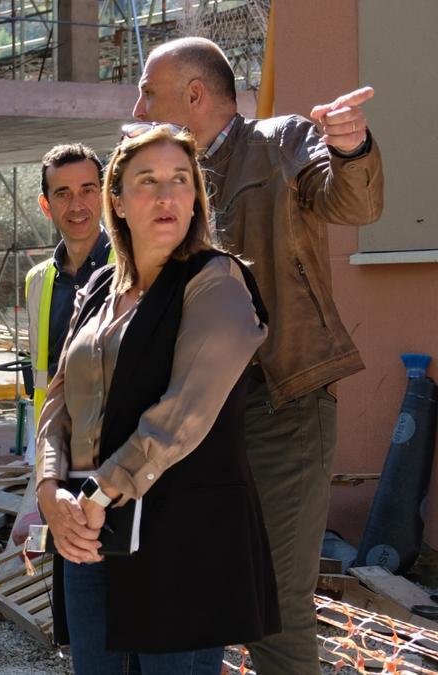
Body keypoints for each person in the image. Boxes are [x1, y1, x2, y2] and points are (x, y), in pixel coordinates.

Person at [132, 37, 385, 673]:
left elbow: (352, 201)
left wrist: (350, 146)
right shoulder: (166, 176)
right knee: (203, 591)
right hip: (193, 418)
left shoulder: (279, 144)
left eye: (148, 91)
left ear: (193, 95)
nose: (136, 105)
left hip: (282, 405)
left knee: (275, 604)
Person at [36, 125, 280, 673]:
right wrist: (49, 488)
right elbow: (59, 402)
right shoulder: (99, 286)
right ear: (117, 203)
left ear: (197, 196)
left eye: (181, 180)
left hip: (183, 538)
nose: (167, 196)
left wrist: (97, 495)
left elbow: (184, 411)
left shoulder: (216, 280)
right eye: (148, 182)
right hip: (86, 533)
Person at [12, 144, 111, 545]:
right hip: (56, 458)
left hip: (114, 461)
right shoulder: (39, 281)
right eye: (62, 193)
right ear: (45, 204)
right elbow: (44, 379)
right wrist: (41, 466)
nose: (77, 204)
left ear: (105, 194)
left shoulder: (134, 269)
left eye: (88, 189)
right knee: (61, 582)